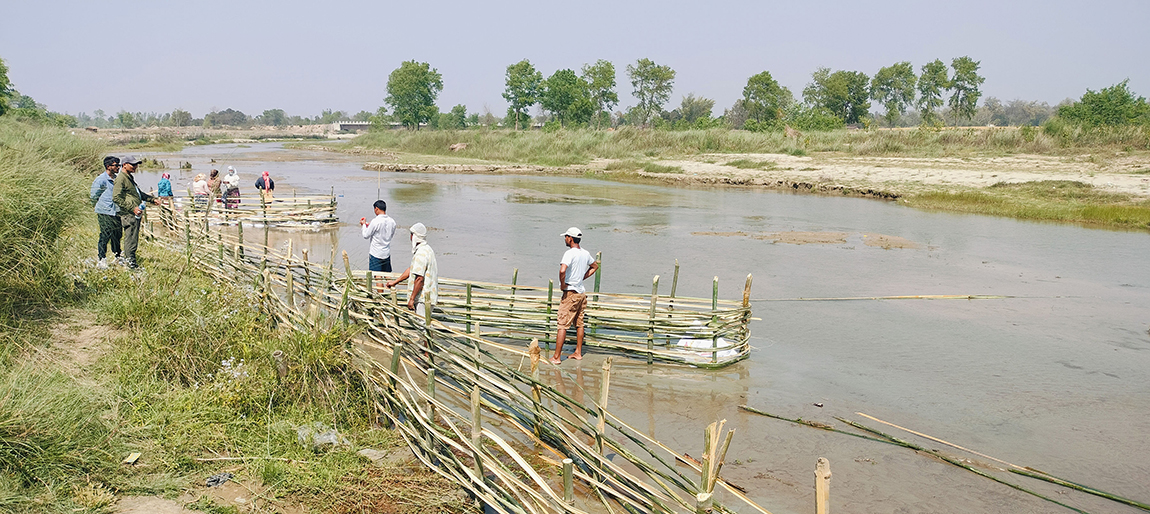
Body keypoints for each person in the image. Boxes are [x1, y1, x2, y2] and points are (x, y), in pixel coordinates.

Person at [551, 227, 599, 364]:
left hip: (571, 293)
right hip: (581, 293)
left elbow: (562, 270)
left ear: (570, 238)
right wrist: (582, 278)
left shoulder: (569, 253)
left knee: (562, 324)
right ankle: (578, 352)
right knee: (579, 323)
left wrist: (562, 284)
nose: (565, 239)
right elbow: (595, 266)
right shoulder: (585, 253)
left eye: (566, 237)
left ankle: (556, 357)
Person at [112, 155, 159, 269]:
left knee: (133, 237)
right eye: (133, 164)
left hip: (134, 213)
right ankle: (131, 263)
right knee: (131, 239)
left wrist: (152, 199)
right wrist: (132, 208)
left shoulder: (129, 177)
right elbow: (116, 197)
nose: (135, 167)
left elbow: (139, 193)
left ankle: (130, 261)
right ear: (125, 165)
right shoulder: (121, 179)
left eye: (136, 164)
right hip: (129, 214)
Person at [385, 223, 438, 320]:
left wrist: (412, 299)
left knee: (422, 325)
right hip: (428, 296)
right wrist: (395, 282)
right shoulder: (427, 249)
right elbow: (411, 270)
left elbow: (419, 279)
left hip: (423, 298)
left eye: (411, 234)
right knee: (425, 324)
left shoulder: (421, 254)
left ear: (414, 237)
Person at [89, 155, 122, 267]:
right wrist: (99, 205)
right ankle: (102, 258)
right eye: (116, 165)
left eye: (119, 165)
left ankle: (118, 256)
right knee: (105, 234)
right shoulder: (101, 180)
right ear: (108, 166)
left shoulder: (117, 179)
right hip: (105, 211)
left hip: (116, 211)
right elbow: (94, 195)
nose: (118, 167)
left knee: (117, 235)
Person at [360, 199, 397, 273]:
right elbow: (390, 236)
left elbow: (365, 235)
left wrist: (364, 225)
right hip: (386, 253)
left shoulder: (375, 221)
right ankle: (390, 285)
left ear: (376, 209)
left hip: (376, 253)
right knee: (387, 276)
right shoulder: (392, 222)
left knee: (377, 277)